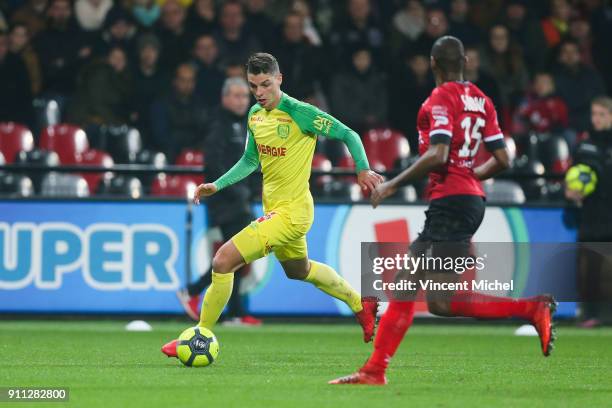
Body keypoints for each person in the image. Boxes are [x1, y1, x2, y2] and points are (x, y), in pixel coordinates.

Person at [329, 36, 556, 386]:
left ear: (433, 63)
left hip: (451, 203)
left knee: (410, 288)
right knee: (441, 301)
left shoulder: (441, 97)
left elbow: (437, 153)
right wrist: (470, 177)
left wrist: (391, 185)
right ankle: (530, 308)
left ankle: (374, 371)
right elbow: (504, 158)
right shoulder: (482, 100)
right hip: (467, 200)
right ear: (465, 61)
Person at [162, 52, 383, 357]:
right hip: (278, 210)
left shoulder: (300, 112)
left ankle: (198, 336)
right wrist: (218, 184)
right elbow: (250, 160)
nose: (260, 92)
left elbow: (349, 133)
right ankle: (361, 304)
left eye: (266, 84)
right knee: (299, 270)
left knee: (222, 261)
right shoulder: (255, 115)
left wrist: (362, 168)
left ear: (279, 79)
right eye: (254, 86)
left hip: (293, 212)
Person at [176, 77, 261, 326]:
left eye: (244, 96)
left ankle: (234, 312)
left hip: (241, 200)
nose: (241, 100)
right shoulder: (219, 126)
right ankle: (193, 291)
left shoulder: (245, 125)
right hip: (227, 202)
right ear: (224, 98)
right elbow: (213, 165)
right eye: (235, 95)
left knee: (239, 256)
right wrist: (238, 192)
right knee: (235, 256)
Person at [565, 96, 612, 327]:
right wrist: (571, 191)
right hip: (592, 215)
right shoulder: (584, 145)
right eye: (594, 114)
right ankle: (591, 315)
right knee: (590, 267)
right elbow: (572, 176)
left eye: (602, 114)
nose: (597, 119)